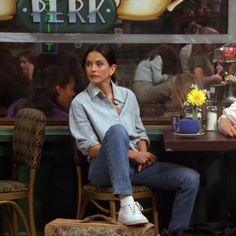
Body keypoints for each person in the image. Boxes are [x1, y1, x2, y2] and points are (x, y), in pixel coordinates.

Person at [69, 44, 200, 234]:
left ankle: (176, 232)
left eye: (99, 64)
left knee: (190, 178)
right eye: (89, 64)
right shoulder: (80, 103)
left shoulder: (128, 96)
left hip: (134, 168)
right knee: (117, 130)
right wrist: (132, 154)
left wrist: (144, 154)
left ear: (112, 69)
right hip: (103, 170)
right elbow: (89, 147)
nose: (93, 69)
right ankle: (126, 202)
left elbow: (140, 132)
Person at [6, 65, 76, 118]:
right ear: (59, 89)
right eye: (71, 89)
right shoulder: (64, 119)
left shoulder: (17, 106)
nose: (73, 93)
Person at [186, 23, 223, 89]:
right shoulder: (199, 57)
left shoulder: (205, 56)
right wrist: (214, 78)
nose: (215, 45)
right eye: (212, 42)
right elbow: (199, 80)